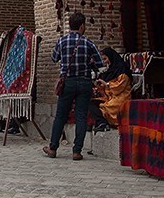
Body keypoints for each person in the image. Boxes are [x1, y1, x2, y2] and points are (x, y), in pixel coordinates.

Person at [44, 12, 103, 161]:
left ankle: (53, 147)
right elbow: (100, 63)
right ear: (82, 26)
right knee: (81, 116)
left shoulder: (62, 41)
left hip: (67, 82)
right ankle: (77, 151)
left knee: (61, 115)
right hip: (84, 82)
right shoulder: (88, 43)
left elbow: (54, 58)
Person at [88, 47, 133, 131]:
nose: (105, 61)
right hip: (109, 97)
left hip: (120, 98)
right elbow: (106, 89)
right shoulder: (111, 70)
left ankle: (103, 123)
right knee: (90, 103)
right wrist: (99, 86)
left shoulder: (122, 71)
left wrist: (106, 84)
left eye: (105, 59)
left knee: (105, 106)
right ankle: (102, 123)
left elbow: (119, 87)